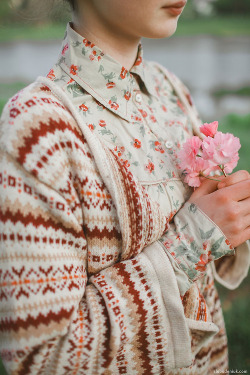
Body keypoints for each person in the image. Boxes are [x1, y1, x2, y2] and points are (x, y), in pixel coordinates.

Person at [0, 0, 249, 374]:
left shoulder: (168, 90)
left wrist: (226, 207)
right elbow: (41, 358)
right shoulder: (37, 127)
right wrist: (193, 239)